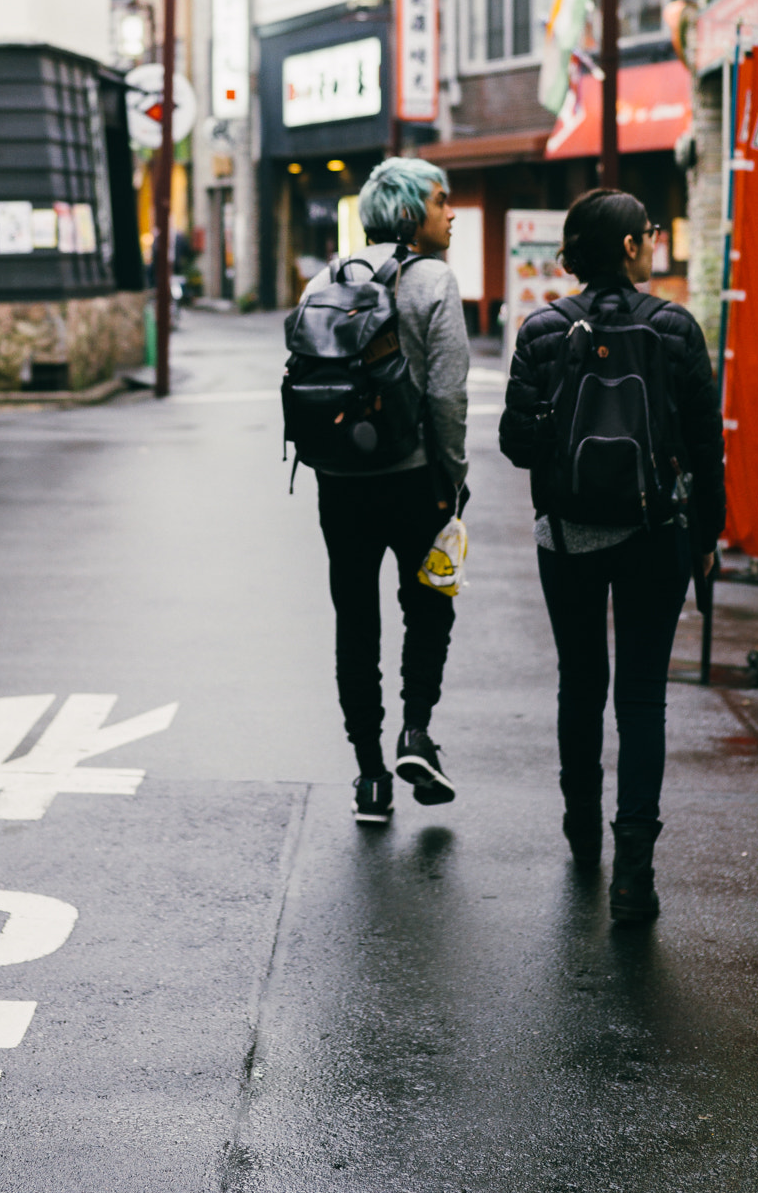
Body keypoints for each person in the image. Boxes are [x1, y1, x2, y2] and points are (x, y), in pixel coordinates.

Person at [498, 188, 724, 922]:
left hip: (565, 537)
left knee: (579, 682)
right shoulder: (674, 329)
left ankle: (579, 828)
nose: (653, 241)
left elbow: (514, 445)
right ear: (629, 249)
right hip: (656, 533)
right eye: (648, 234)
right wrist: (707, 537)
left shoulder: (540, 331)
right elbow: (703, 444)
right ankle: (634, 874)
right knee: (641, 698)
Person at [301, 157, 470, 826]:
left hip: (338, 481)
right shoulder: (432, 280)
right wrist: (451, 481)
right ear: (411, 212)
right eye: (439, 200)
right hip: (413, 476)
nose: (449, 211)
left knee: (354, 621)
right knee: (427, 603)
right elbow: (449, 395)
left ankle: (368, 773)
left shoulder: (327, 277)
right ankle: (416, 733)